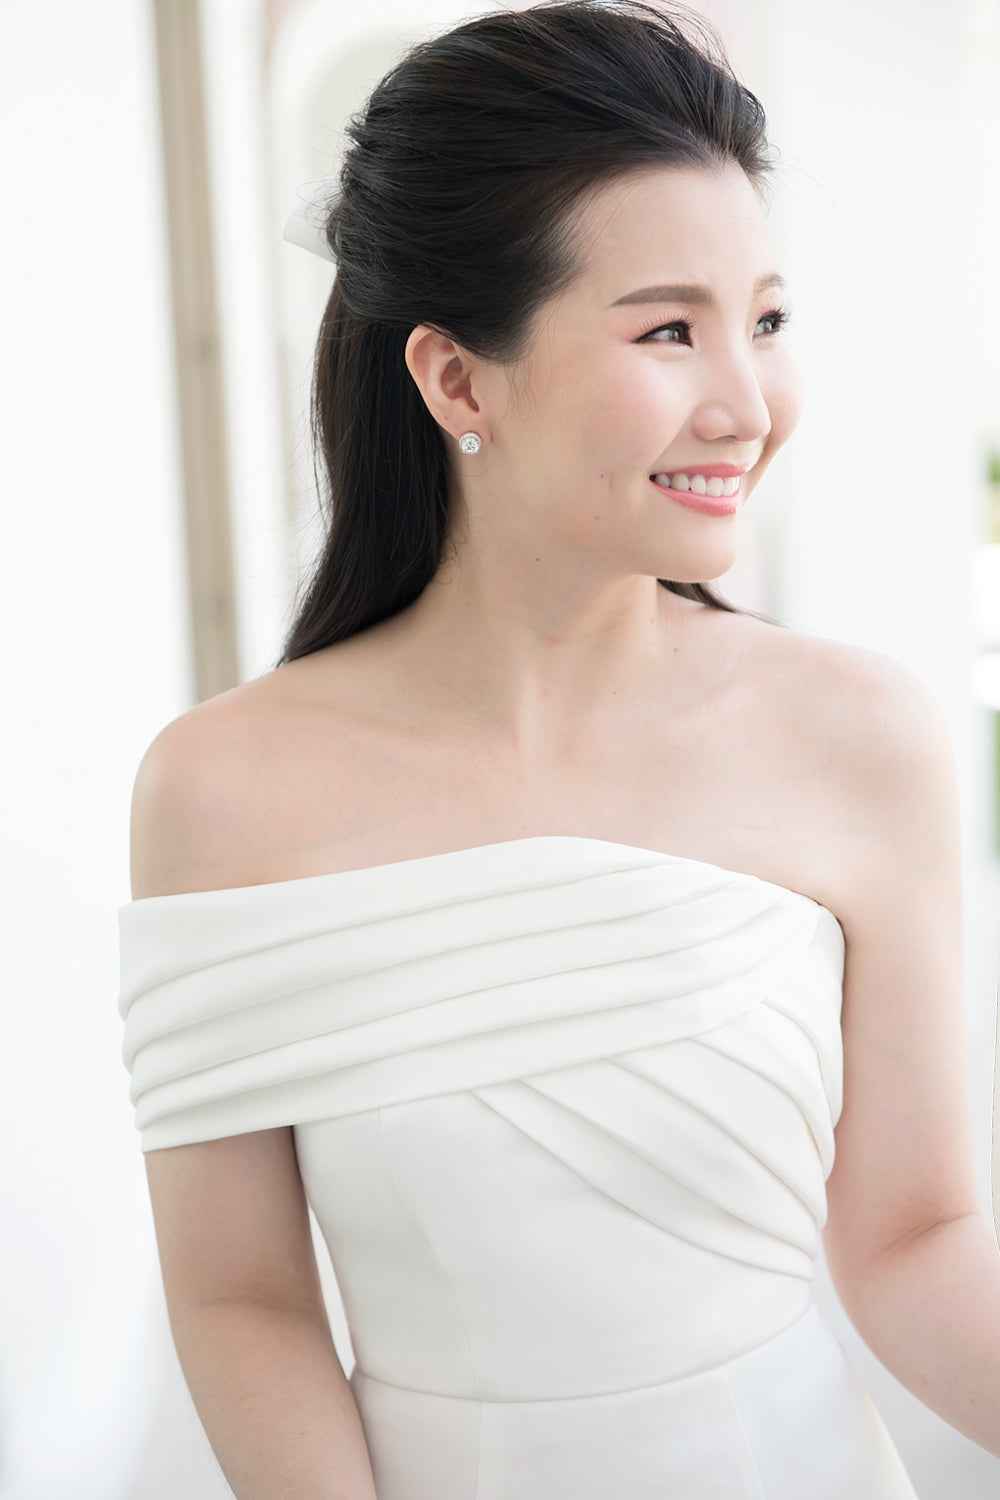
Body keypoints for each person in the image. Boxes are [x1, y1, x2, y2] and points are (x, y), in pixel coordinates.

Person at [117, 2, 1000, 1496]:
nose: (749, 403)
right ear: (458, 380)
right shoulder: (224, 790)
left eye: (766, 320)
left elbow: (913, 1237)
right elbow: (240, 1299)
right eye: (669, 328)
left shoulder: (861, 737)